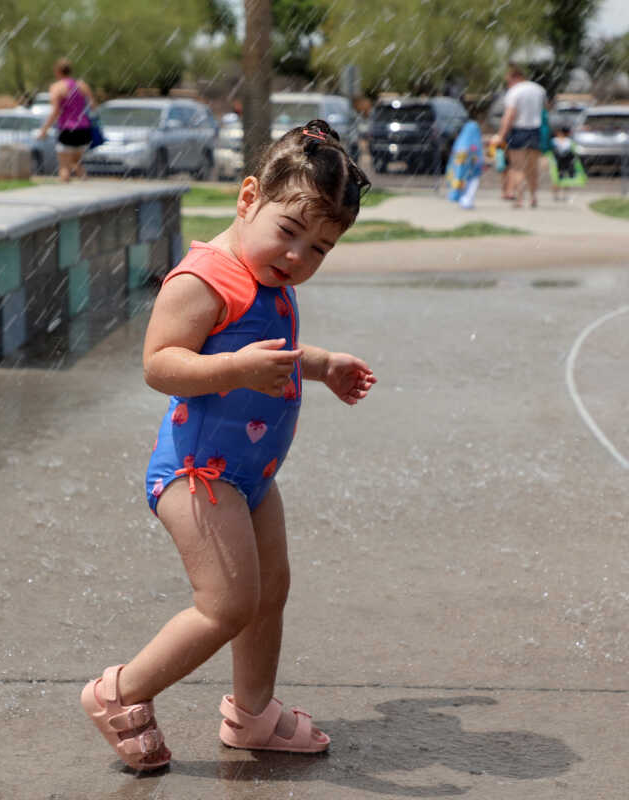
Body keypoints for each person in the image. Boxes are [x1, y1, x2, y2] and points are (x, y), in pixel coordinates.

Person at [80, 119, 376, 772]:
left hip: (249, 477)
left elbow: (280, 351)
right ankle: (119, 692)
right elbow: (160, 364)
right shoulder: (204, 280)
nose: (299, 256)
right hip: (197, 474)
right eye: (289, 232)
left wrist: (323, 366)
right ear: (248, 199)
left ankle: (251, 714)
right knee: (228, 603)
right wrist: (235, 369)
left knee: (270, 590)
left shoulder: (269, 278)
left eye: (320, 248)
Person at [489, 64, 546, 209]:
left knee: (518, 167)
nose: (508, 84)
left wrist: (501, 135)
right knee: (533, 168)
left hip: (519, 130)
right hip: (535, 130)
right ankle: (533, 197)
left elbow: (509, 115)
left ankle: (519, 199)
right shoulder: (539, 90)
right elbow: (544, 110)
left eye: (508, 81)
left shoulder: (514, 92)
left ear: (516, 77)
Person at [36, 58, 96, 182]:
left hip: (67, 129)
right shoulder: (82, 85)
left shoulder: (57, 87)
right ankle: (86, 187)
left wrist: (44, 130)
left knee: (64, 166)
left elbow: (55, 111)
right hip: (84, 129)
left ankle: (63, 191)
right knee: (76, 162)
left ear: (57, 71)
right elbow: (93, 105)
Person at [445, 119, 484, 209]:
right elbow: (478, 156)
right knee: (473, 180)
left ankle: (458, 195)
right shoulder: (475, 140)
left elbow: (455, 158)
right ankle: (466, 199)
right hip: (472, 166)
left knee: (459, 177)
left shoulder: (461, 141)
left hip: (461, 164)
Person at [547, 126, 586, 202]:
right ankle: (564, 195)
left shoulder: (553, 141)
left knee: (556, 179)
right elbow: (576, 151)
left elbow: (549, 152)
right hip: (566, 163)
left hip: (556, 163)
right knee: (565, 179)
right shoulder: (569, 142)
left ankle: (556, 195)